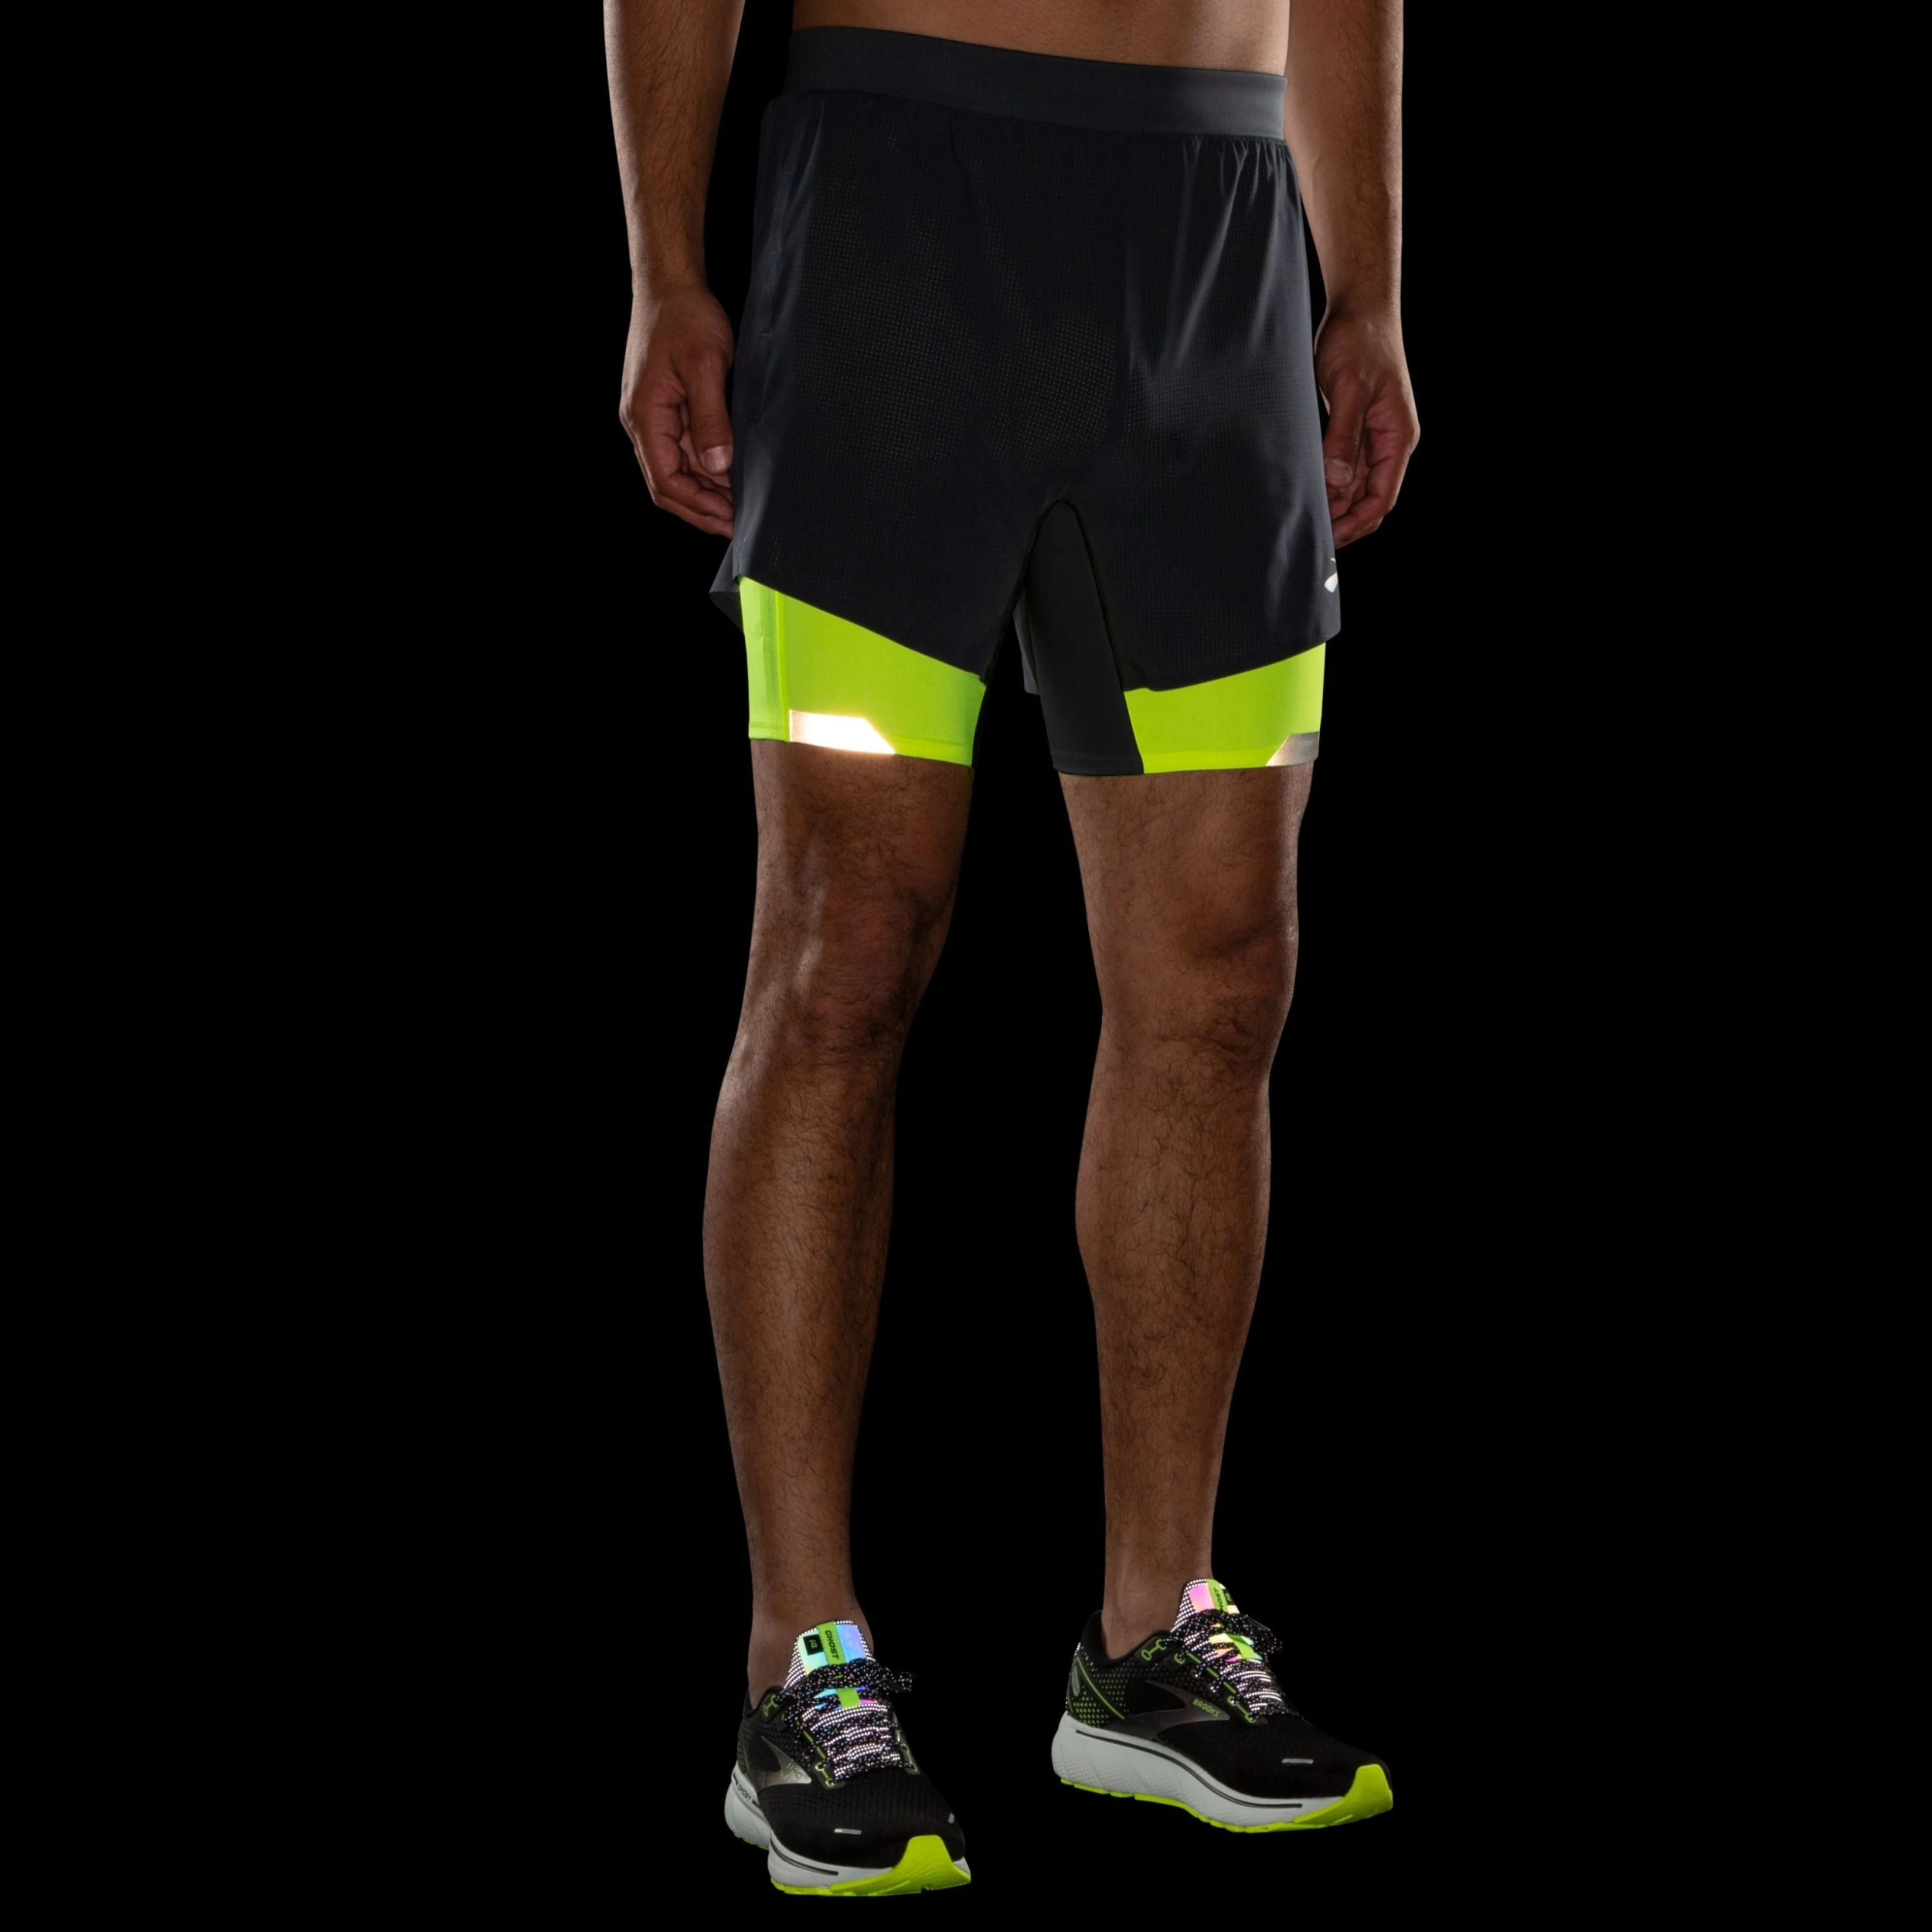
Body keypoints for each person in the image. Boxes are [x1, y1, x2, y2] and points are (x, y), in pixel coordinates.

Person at [606, 0, 1418, 1895]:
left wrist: (1368, 279)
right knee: (844, 948)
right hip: (901, 210)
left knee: (1221, 966)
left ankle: (1152, 1636)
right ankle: (802, 1658)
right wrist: (661, 263)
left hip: (1219, 234)